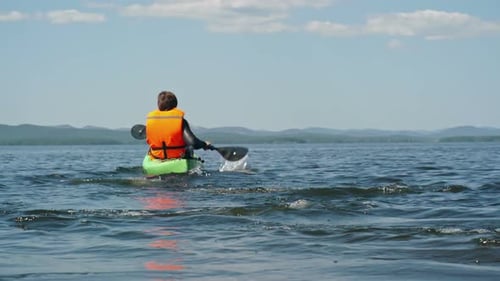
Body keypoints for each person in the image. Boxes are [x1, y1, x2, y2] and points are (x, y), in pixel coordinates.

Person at [146, 91, 211, 160]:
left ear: (159, 104)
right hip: (178, 156)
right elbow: (193, 143)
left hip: (157, 157)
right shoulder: (181, 121)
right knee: (189, 147)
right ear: (175, 104)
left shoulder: (151, 121)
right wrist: (204, 144)